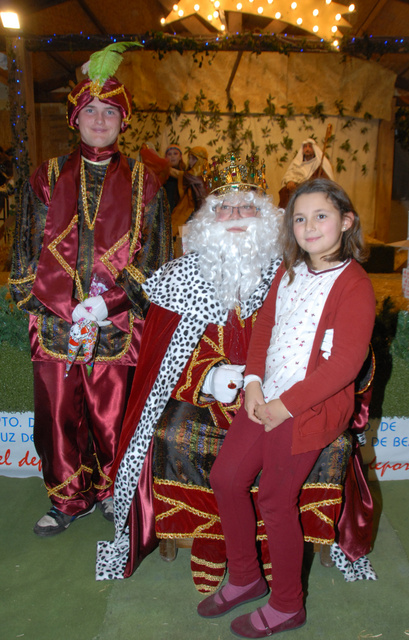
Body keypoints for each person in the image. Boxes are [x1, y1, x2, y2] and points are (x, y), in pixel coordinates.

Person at [198, 178, 376, 638]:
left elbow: (344, 365)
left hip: (308, 409)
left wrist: (285, 406)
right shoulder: (289, 270)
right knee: (226, 478)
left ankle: (287, 604)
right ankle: (246, 577)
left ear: (346, 222)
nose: (309, 226)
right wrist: (253, 384)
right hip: (266, 396)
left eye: (321, 216)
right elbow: (265, 329)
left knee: (276, 502)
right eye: (300, 218)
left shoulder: (354, 284)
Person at [95, 157, 283, 581]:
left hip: (274, 397)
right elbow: (161, 361)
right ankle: (208, 540)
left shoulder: (290, 274)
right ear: (208, 218)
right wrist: (210, 377)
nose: (236, 216)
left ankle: (269, 546)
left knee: (285, 442)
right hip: (202, 401)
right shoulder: (180, 277)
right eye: (224, 207)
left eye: (247, 206)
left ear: (266, 216)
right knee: (172, 435)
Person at [8, 73, 172, 537]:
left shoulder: (146, 182)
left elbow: (155, 259)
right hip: (54, 320)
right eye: (91, 110)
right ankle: (67, 498)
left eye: (111, 111)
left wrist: (109, 304)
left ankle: (113, 490)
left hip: (117, 323)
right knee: (57, 416)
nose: (100, 120)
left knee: (112, 415)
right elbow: (25, 248)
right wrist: (50, 304)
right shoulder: (46, 176)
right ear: (75, 118)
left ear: (124, 121)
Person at [169, 146, 210, 256]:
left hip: (196, 212)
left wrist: (160, 164)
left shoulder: (194, 175)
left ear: (198, 160)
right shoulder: (206, 174)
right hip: (201, 212)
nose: (190, 161)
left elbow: (176, 174)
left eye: (192, 158)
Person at [278, 138, 334, 208]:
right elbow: (289, 174)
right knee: (285, 191)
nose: (307, 149)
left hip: (311, 190)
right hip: (297, 189)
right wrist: (290, 181)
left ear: (314, 149)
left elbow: (326, 180)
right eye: (305, 147)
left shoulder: (319, 163)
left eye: (310, 147)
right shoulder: (297, 163)